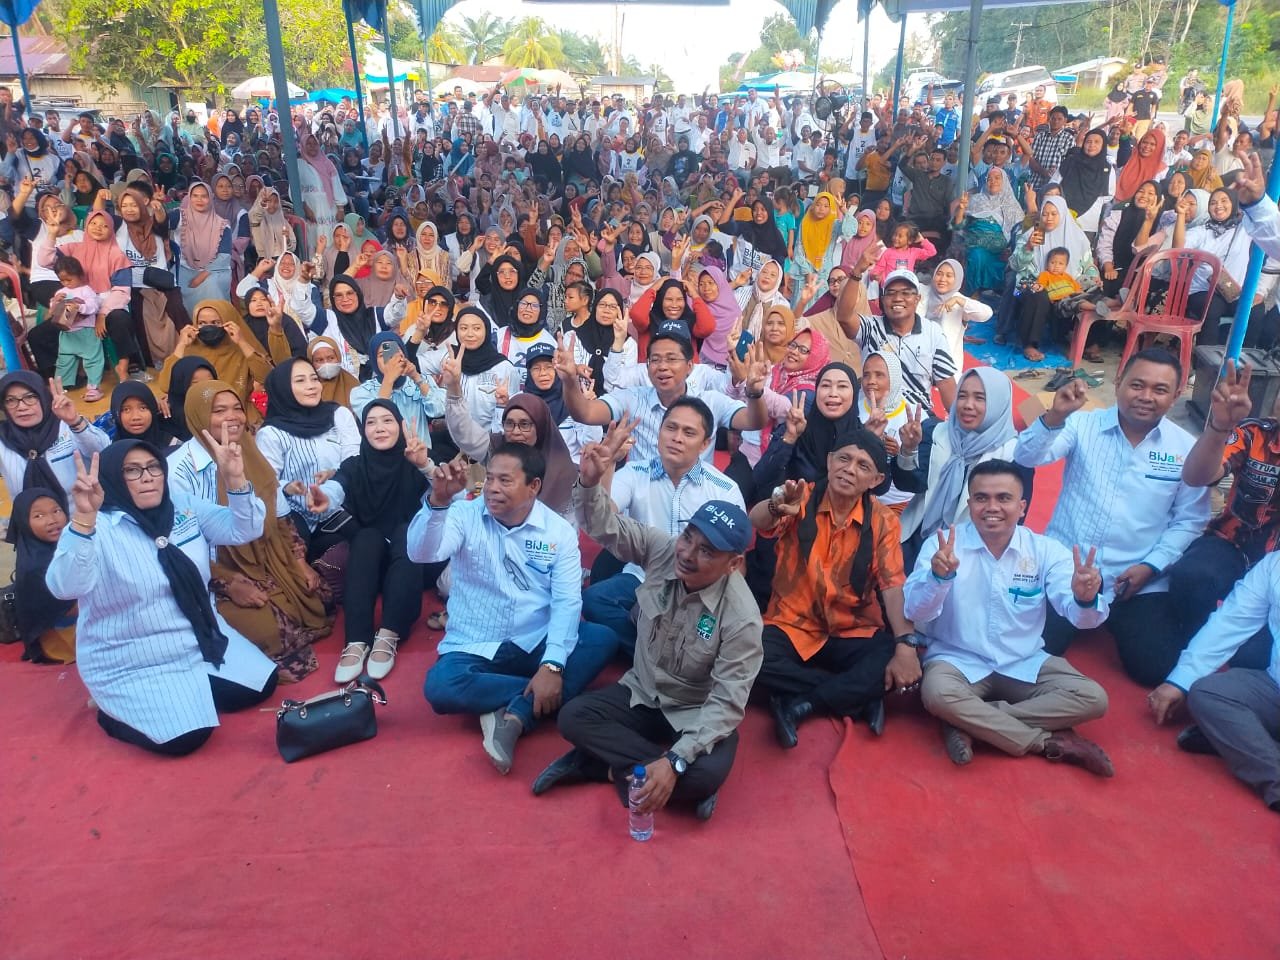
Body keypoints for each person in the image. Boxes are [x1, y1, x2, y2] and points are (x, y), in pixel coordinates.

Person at [535, 424, 762, 822]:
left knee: (706, 771)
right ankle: (656, 776)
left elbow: (726, 703)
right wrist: (589, 484)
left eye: (707, 550)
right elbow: (607, 528)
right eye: (689, 537)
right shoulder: (663, 549)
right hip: (642, 692)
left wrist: (678, 759)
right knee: (573, 717)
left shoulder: (742, 618)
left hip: (694, 709)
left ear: (734, 564)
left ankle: (600, 767)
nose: (688, 553)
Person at [46, 437, 278, 756]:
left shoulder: (182, 505)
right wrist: (83, 519)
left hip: (197, 638)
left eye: (154, 467)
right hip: (130, 655)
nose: (147, 477)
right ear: (113, 477)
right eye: (132, 470)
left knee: (262, 687)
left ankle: (186, 693)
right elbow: (64, 586)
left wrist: (236, 480)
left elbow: (245, 529)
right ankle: (110, 711)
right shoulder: (99, 527)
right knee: (187, 740)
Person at [412, 444, 616, 775]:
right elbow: (423, 553)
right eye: (489, 478)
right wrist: (438, 503)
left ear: (533, 486)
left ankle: (516, 713)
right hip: (474, 641)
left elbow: (567, 601)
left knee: (602, 639)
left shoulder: (558, 532)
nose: (492, 488)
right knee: (440, 687)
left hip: (534, 638)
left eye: (505, 481)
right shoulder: (463, 515)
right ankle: (535, 698)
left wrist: (550, 665)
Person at [1014, 350, 1210, 686]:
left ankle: (1115, 617)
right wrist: (1054, 417)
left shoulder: (1186, 448)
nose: (1146, 397)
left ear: (1177, 395)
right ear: (1118, 383)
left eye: (1160, 390)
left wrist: (1151, 567)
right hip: (1067, 569)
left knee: (1154, 668)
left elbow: (1191, 520)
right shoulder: (1080, 424)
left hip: (1135, 579)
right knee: (1030, 653)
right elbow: (1027, 456)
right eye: (1137, 384)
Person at [905, 460, 1114, 774]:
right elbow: (914, 612)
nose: (992, 507)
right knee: (937, 694)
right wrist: (938, 578)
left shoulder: (1045, 551)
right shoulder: (943, 548)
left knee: (1093, 698)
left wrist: (1084, 599)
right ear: (970, 502)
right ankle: (1045, 743)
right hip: (957, 660)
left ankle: (970, 722)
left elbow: (1081, 618)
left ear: (1022, 506)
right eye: (981, 498)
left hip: (1023, 660)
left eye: (1003, 498)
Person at [752, 428, 921, 745]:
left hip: (851, 629)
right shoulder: (799, 496)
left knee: (895, 656)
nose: (849, 468)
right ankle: (852, 695)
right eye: (844, 458)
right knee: (748, 654)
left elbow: (893, 584)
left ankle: (801, 703)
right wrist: (776, 505)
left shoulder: (883, 521)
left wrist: (906, 644)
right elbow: (757, 520)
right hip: (792, 625)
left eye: (862, 465)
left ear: (874, 480)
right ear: (829, 461)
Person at [183, 380, 333, 681]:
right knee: (270, 628)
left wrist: (299, 561)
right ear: (199, 416)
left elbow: (279, 516)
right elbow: (183, 546)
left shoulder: (249, 451)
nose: (232, 417)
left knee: (320, 597)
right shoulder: (182, 470)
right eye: (219, 410)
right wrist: (227, 584)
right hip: (220, 570)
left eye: (237, 408)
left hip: (269, 555)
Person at [582, 397, 743, 657]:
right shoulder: (636, 472)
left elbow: (735, 560)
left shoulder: (724, 489)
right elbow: (602, 518)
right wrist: (608, 464)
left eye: (688, 432)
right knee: (595, 601)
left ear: (705, 444)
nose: (677, 438)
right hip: (641, 577)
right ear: (659, 432)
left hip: (695, 584)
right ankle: (658, 656)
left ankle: (653, 654)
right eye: (671, 428)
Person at [308, 401, 435, 682]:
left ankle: (389, 632)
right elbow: (338, 485)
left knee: (407, 531)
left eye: (387, 421)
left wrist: (424, 464)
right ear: (363, 429)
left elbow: (447, 492)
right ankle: (356, 640)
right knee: (366, 537)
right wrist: (326, 497)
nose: (379, 428)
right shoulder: (355, 464)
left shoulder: (414, 458)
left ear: (400, 425)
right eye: (371, 422)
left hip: (412, 566)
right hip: (369, 567)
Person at [1162, 360, 1278, 666]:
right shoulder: (1254, 434)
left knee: (1255, 657)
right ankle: (1189, 646)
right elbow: (1197, 477)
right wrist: (1219, 427)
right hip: (1234, 543)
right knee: (1191, 577)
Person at [1147, 552, 1280, 813]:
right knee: (1208, 693)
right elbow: (1231, 620)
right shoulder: (1274, 564)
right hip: (1274, 685)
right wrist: (1180, 680)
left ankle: (1249, 747)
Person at [554, 321, 767, 464]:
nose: (662, 366)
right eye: (655, 360)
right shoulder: (633, 399)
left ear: (690, 367)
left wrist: (755, 392)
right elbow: (586, 413)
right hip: (644, 503)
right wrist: (570, 381)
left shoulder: (710, 402)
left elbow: (753, 421)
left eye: (672, 359)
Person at [255, 359, 361, 560]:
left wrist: (335, 473)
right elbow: (267, 483)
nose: (311, 386)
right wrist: (288, 487)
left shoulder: (338, 415)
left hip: (343, 505)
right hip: (296, 516)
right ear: (283, 389)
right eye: (300, 381)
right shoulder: (272, 433)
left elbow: (354, 457)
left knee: (367, 543)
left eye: (314, 378)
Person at [836, 268, 958, 410]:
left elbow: (946, 383)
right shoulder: (870, 327)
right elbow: (844, 317)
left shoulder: (933, 332)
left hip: (917, 418)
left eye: (906, 293)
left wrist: (957, 428)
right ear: (883, 299)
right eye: (891, 293)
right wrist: (857, 272)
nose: (898, 298)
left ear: (917, 299)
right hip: (872, 413)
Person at [0, 371, 109, 500]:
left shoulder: (67, 425)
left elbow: (105, 452)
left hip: (87, 515)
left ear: (43, 398)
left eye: (29, 397)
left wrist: (75, 422)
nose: (21, 407)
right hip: (30, 519)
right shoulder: (3, 438)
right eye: (11, 400)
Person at [8, 487, 77, 664]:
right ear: (23, 522)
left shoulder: (70, 544)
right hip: (63, 640)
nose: (52, 520)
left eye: (56, 511)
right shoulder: (34, 565)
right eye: (39, 516)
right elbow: (65, 609)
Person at [48, 255, 105, 401]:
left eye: (69, 279)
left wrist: (79, 306)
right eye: (62, 280)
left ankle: (93, 388)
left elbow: (93, 306)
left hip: (86, 332)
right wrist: (55, 302)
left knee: (92, 359)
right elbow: (52, 311)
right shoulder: (61, 292)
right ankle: (60, 388)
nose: (67, 283)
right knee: (64, 360)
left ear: (80, 275)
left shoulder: (86, 290)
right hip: (66, 332)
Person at [176, 181, 233, 316]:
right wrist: (158, 209)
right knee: (173, 285)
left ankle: (217, 325)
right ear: (189, 198)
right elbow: (161, 222)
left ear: (211, 198)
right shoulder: (179, 216)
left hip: (214, 269)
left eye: (204, 196)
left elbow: (224, 256)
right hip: (184, 268)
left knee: (212, 285)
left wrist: (201, 276)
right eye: (195, 196)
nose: (199, 200)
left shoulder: (222, 225)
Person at [110, 380, 177, 451]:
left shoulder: (172, 446)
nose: (136, 417)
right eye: (126, 409)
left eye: (143, 408)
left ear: (153, 409)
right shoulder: (112, 455)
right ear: (116, 413)